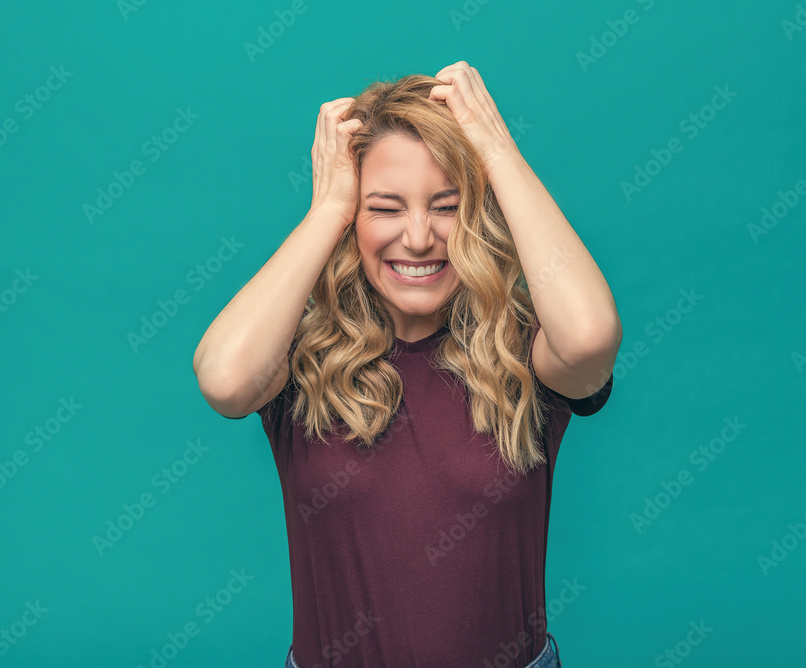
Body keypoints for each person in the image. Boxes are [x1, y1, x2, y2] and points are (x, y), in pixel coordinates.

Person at [192, 61, 622, 668]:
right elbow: (224, 379)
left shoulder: (524, 350)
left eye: (446, 206)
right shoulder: (302, 357)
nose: (418, 237)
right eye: (385, 208)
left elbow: (590, 338)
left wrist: (497, 154)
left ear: (479, 215)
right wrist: (329, 207)